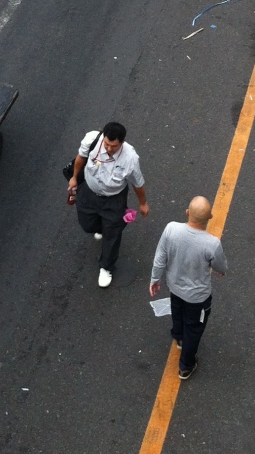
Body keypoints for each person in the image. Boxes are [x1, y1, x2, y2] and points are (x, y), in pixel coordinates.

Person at [150, 196, 227, 381]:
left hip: (175, 287)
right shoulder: (212, 243)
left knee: (177, 312)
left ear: (187, 213)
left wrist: (155, 279)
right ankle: (185, 366)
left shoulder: (171, 229)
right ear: (210, 217)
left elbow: (160, 257)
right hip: (197, 298)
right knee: (194, 328)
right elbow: (221, 266)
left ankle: (178, 337)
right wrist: (222, 271)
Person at [68, 122, 149, 287]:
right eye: (106, 144)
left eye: (114, 146)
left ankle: (106, 267)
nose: (109, 149)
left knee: (112, 234)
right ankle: (102, 228)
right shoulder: (92, 140)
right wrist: (74, 177)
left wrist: (143, 203)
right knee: (87, 225)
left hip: (114, 199)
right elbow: (80, 158)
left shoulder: (130, 159)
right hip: (88, 193)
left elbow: (138, 183)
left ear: (122, 142)